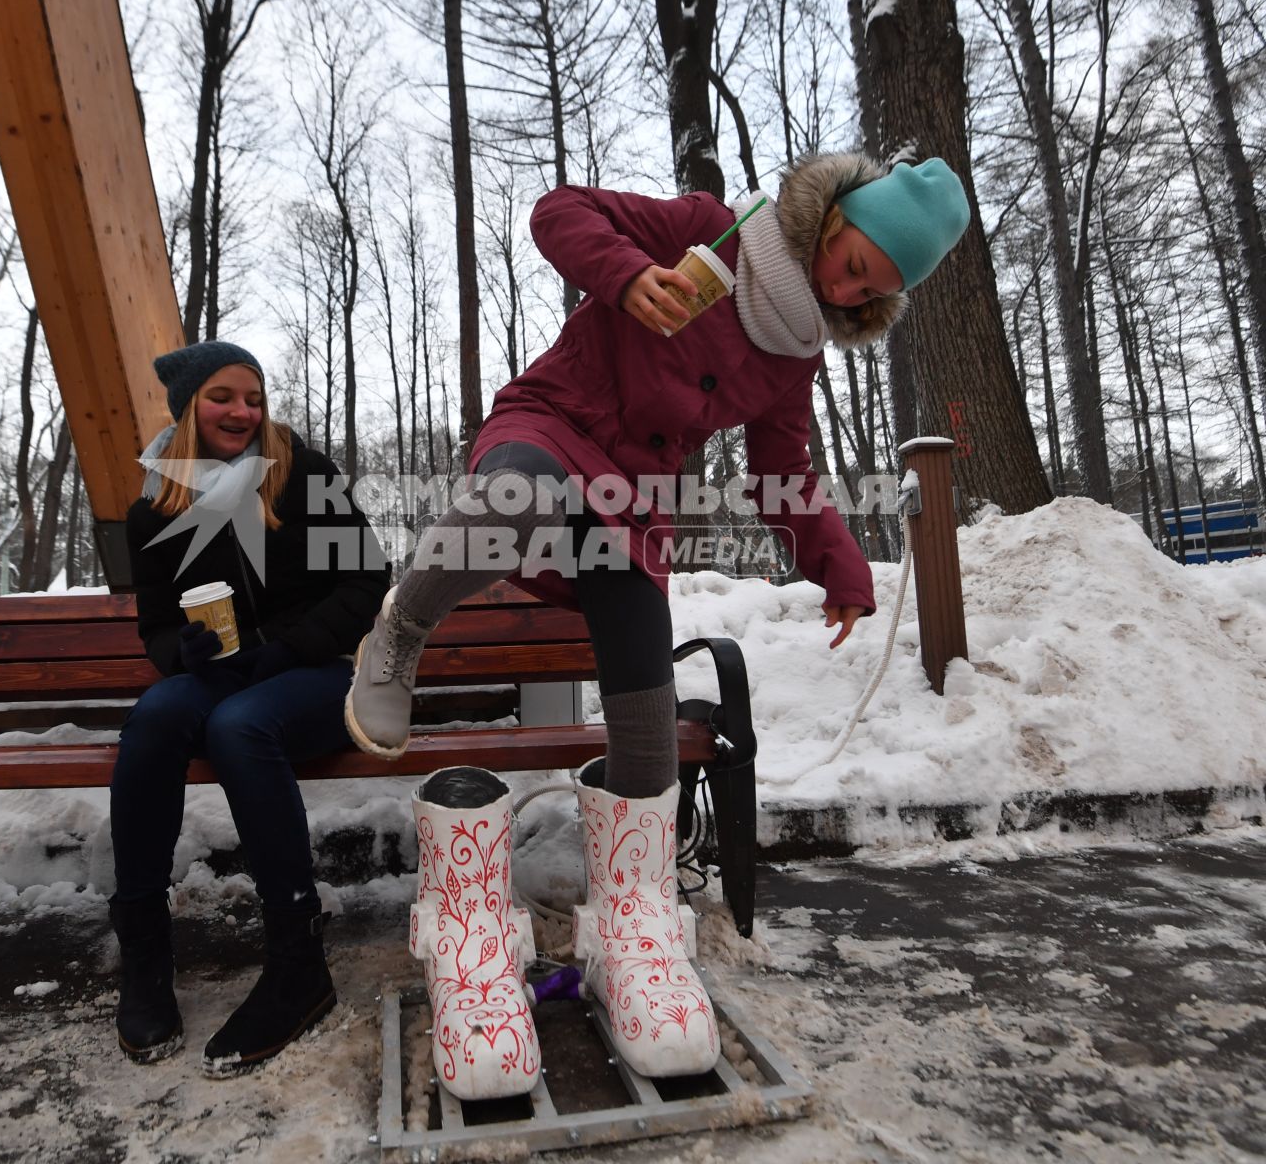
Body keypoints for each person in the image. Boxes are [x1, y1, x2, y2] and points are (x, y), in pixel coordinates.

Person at [344, 152, 971, 1092]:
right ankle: (399, 630)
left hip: (631, 500)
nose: (847, 287)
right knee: (514, 499)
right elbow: (561, 211)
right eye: (855, 258)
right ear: (837, 214)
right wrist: (631, 277)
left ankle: (629, 933)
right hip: (554, 423)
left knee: (646, 716)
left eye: (872, 289)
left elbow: (781, 473)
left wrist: (839, 566)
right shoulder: (709, 231)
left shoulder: (794, 352)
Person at [109, 340, 387, 1072]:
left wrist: (283, 645)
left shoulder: (303, 473)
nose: (241, 411)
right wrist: (182, 655)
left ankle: (297, 959)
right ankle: (143, 953)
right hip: (226, 670)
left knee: (240, 726)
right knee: (154, 719)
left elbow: (366, 583)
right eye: (223, 397)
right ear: (188, 407)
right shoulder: (155, 505)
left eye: (253, 398)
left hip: (319, 672)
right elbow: (159, 626)